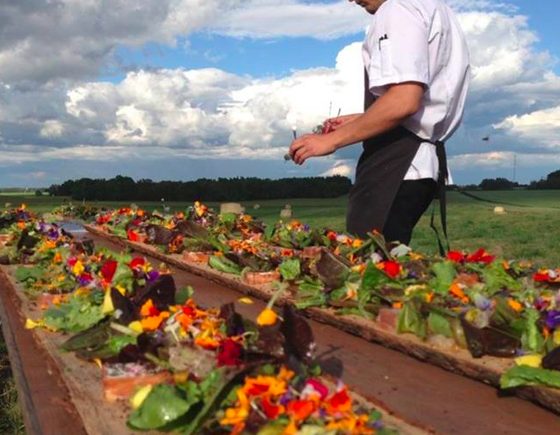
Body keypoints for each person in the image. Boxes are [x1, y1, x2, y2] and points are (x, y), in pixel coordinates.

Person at [289, 0, 470, 245]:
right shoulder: (432, 7)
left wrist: (330, 140)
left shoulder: (396, 9)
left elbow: (404, 101)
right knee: (388, 265)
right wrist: (361, 119)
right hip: (420, 163)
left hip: (398, 163)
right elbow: (421, 100)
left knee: (371, 267)